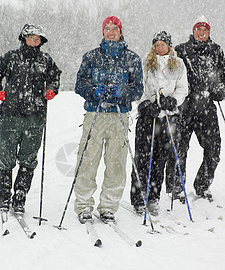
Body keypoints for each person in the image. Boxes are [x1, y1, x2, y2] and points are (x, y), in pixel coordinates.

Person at [74, 15, 143, 223]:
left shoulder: (132, 59)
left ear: (120, 32)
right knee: (87, 160)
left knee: (116, 163)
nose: (111, 32)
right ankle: (84, 205)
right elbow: (79, 83)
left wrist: (123, 93)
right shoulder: (92, 57)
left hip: (118, 116)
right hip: (95, 114)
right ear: (103, 31)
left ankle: (109, 206)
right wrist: (93, 91)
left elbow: (138, 89)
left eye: (115, 29)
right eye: (107, 28)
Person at [0, 23, 61, 214]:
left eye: (38, 39)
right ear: (23, 38)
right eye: (31, 38)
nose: (34, 42)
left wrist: (51, 89)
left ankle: (20, 196)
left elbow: (55, 76)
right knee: (5, 158)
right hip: (10, 115)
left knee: (28, 159)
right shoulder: (11, 58)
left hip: (35, 117)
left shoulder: (45, 60)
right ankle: (3, 196)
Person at [130, 31, 188, 216]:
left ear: (169, 46)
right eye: (157, 45)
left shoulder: (178, 64)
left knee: (160, 159)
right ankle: (139, 197)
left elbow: (182, 88)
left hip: (166, 117)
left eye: (163, 44)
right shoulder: (146, 63)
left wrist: (173, 101)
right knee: (142, 158)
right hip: (148, 118)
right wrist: (145, 104)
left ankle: (154, 197)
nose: (160, 47)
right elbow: (139, 88)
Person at [171, 16, 225, 202]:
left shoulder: (216, 51)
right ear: (193, 31)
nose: (201, 34)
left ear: (209, 32)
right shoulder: (181, 50)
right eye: (198, 30)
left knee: (214, 149)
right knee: (178, 149)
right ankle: (176, 188)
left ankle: (202, 186)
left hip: (207, 107)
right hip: (184, 107)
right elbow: (173, 76)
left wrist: (219, 90)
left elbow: (223, 76)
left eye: (205, 31)